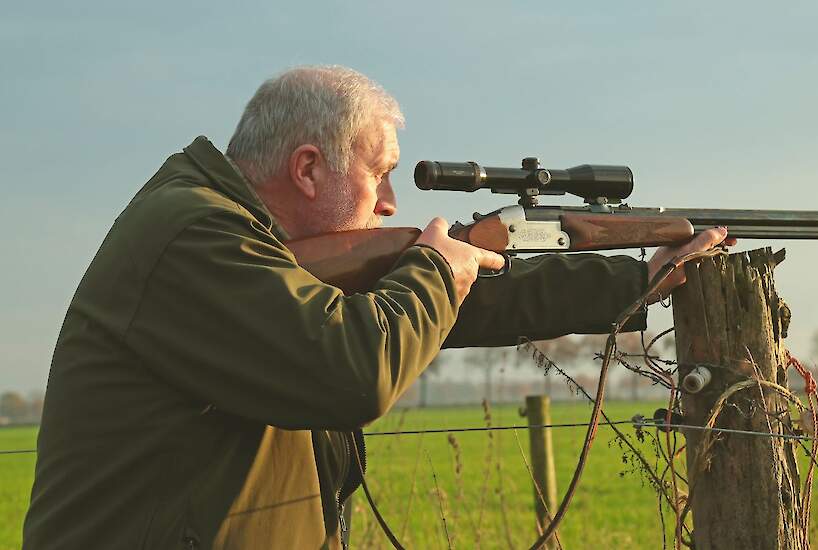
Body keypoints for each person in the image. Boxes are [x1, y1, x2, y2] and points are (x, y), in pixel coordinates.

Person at [23, 66, 730, 549]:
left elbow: (469, 300)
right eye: (379, 174)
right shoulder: (194, 235)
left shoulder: (247, 244)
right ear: (306, 168)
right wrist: (432, 266)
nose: (389, 203)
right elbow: (352, 369)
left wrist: (636, 280)